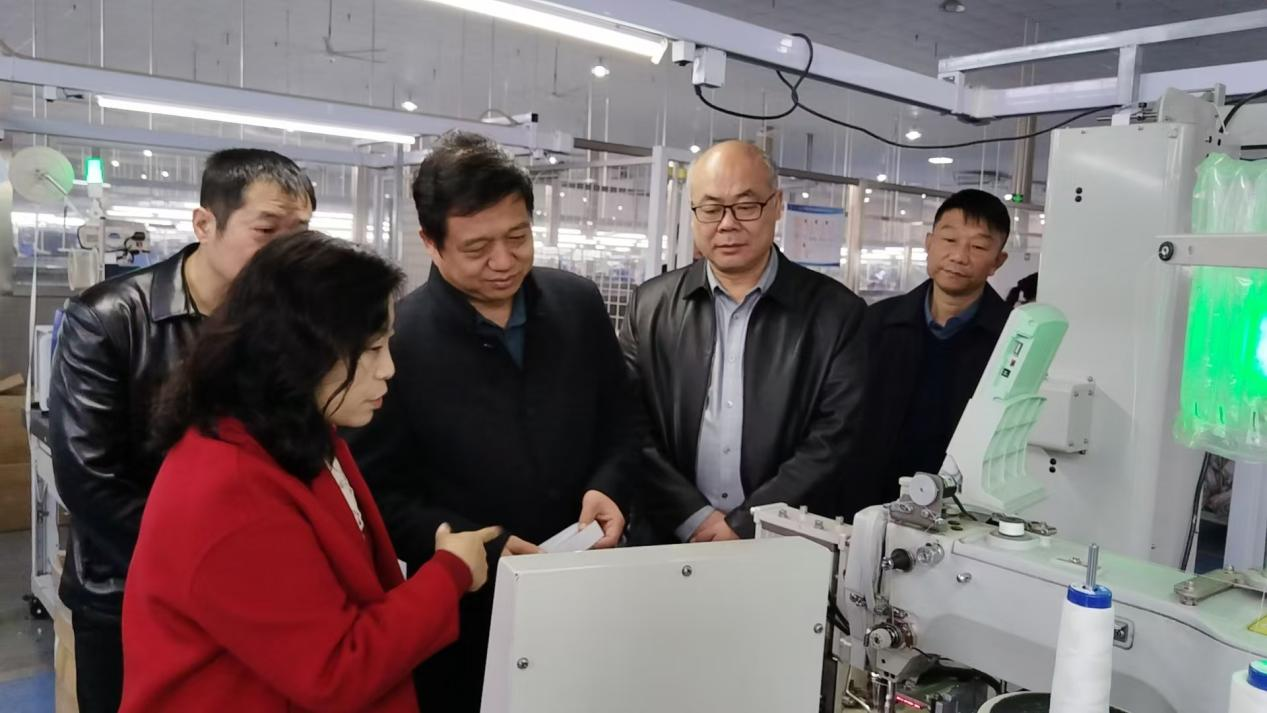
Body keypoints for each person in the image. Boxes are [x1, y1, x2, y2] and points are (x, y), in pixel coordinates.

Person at [119, 232, 497, 712]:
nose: (388, 369)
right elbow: (335, 669)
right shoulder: (230, 490)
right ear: (300, 353)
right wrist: (450, 574)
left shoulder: (302, 435)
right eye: (372, 350)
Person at [344, 131, 638, 712]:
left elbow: (624, 421)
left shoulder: (579, 305)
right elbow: (377, 492)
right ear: (431, 242)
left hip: (587, 590)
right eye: (477, 247)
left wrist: (611, 485)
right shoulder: (396, 341)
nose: (504, 262)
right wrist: (477, 544)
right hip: (467, 614)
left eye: (518, 237)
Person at [48, 148, 314, 712]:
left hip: (250, 595)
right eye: (267, 230)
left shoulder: (283, 324)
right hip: (128, 591)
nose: (287, 252)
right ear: (204, 224)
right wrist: (210, 567)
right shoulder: (109, 318)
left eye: (300, 233)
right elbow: (91, 480)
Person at [620, 140, 869, 544]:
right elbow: (629, 424)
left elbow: (835, 439)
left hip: (784, 541)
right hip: (669, 538)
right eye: (711, 208)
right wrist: (693, 518)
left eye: (746, 206)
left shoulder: (837, 314)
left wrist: (746, 525)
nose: (727, 224)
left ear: (777, 205)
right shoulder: (649, 306)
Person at [847, 189, 1012, 517]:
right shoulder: (876, 322)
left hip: (964, 511)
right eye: (949, 240)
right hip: (869, 502)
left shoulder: (1010, 339)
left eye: (978, 247)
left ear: (998, 261)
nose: (959, 256)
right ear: (929, 242)